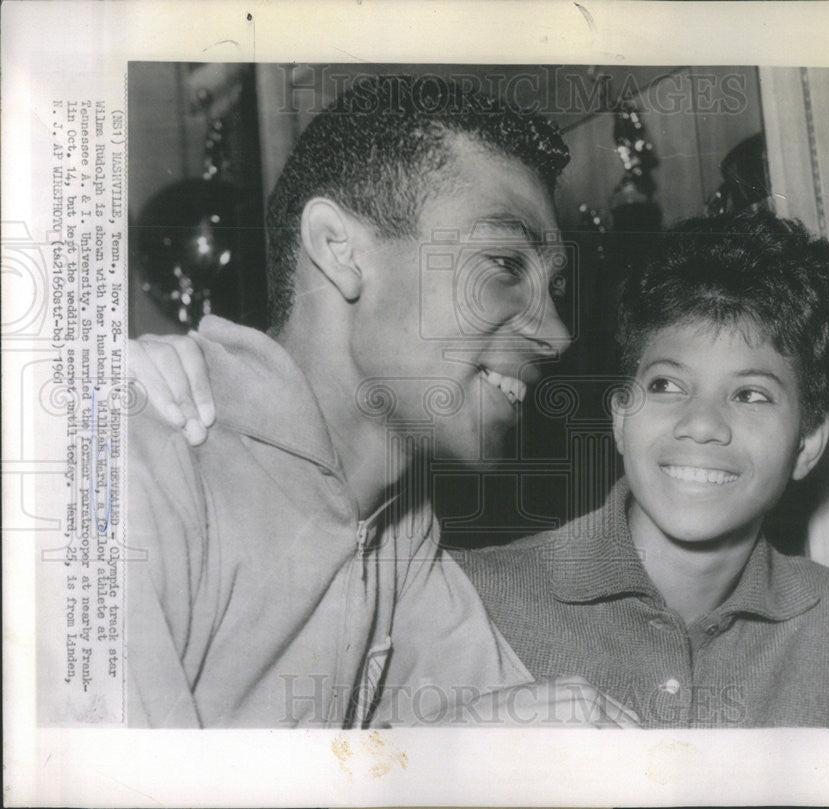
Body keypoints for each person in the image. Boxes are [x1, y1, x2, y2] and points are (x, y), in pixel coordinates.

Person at [127, 74, 637, 728]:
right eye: (506, 264)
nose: (557, 333)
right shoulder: (141, 460)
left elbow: (535, 735)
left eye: (556, 287)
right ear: (340, 250)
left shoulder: (401, 522)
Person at [455, 210, 829, 727]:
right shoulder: (475, 595)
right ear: (621, 417)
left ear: (807, 442)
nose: (702, 424)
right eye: (667, 385)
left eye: (750, 394)